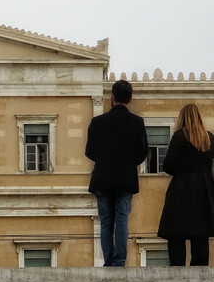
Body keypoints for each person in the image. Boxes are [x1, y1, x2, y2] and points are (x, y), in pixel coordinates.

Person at [85, 79, 148, 266]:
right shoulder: (137, 123)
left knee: (105, 222)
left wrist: (105, 161)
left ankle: (107, 261)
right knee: (122, 220)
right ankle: (119, 261)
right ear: (129, 99)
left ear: (112, 98)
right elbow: (142, 153)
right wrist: (127, 163)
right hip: (126, 179)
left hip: (102, 178)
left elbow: (89, 151)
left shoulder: (97, 122)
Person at [157, 104, 214, 266]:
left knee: (176, 234)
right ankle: (199, 273)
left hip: (182, 189)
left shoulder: (179, 137)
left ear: (182, 118)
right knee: (201, 236)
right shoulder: (209, 138)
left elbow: (168, 165)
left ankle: (177, 272)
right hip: (204, 190)